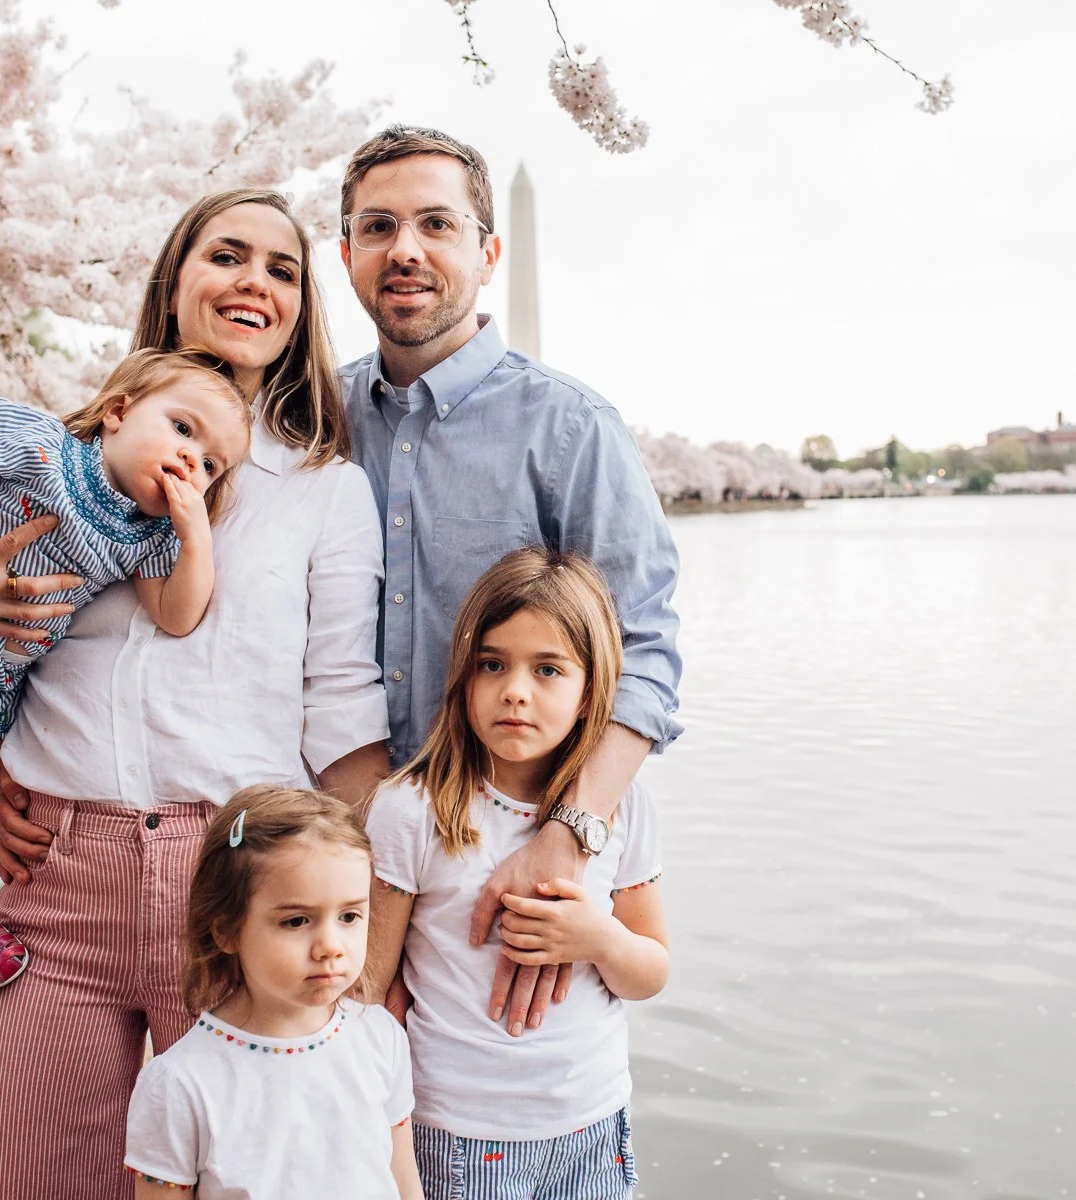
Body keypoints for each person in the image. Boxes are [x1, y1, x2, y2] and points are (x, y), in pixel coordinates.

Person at [0, 188, 390, 1200]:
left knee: (236, 1178)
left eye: (282, 268)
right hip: (58, 873)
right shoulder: (76, 442)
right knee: (19, 1178)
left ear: (304, 311)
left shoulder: (324, 488)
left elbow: (343, 711)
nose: (253, 281)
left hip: (233, 885)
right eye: (227, 255)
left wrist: (365, 924)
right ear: (176, 280)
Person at [337, 126, 682, 1036]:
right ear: (346, 256)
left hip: (507, 864)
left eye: (435, 224)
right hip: (335, 865)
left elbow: (643, 654)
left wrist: (568, 838)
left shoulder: (571, 429)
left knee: (513, 1127)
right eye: (377, 227)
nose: (404, 249)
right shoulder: (312, 422)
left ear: (488, 253)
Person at [0, 349, 251, 996]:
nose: (191, 460)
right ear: (119, 413)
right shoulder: (43, 449)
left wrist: (195, 536)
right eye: (182, 429)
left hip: (1, 679)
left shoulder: (148, 537)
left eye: (210, 464)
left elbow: (176, 616)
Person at [363, 548, 668, 1198]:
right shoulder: (412, 810)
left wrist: (601, 940)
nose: (515, 690)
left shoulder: (622, 805)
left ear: (593, 694)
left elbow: (651, 970)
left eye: (549, 669)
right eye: (492, 664)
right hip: (456, 1130)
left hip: (593, 1120)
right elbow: (368, 990)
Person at [125, 785, 422, 1199]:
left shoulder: (381, 1039)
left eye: (350, 915)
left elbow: (403, 1182)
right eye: (297, 921)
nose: (331, 946)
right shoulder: (180, 1084)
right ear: (226, 930)